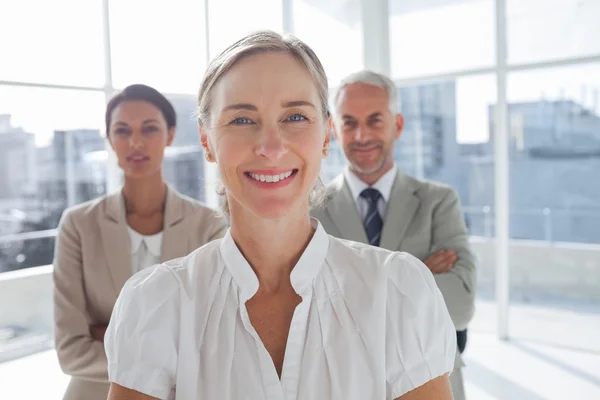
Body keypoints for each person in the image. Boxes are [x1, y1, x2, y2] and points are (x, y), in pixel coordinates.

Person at [104, 31, 456, 400]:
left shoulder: (397, 290)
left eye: (295, 116)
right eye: (242, 120)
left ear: (325, 136)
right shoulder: (157, 302)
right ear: (207, 141)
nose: (271, 147)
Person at [53, 84, 228, 400]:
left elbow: (215, 341)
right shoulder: (78, 225)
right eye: (122, 130)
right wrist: (166, 347)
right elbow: (71, 350)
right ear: (109, 139)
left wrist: (111, 334)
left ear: (170, 134)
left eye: (149, 128)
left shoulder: (208, 225)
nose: (135, 142)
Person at [311, 70, 477, 400]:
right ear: (333, 130)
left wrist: (347, 293)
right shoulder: (312, 212)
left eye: (375, 120)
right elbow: (308, 315)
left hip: (432, 383)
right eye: (349, 122)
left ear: (397, 125)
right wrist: (419, 275)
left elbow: (459, 305)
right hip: (345, 386)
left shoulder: (438, 202)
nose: (361, 135)